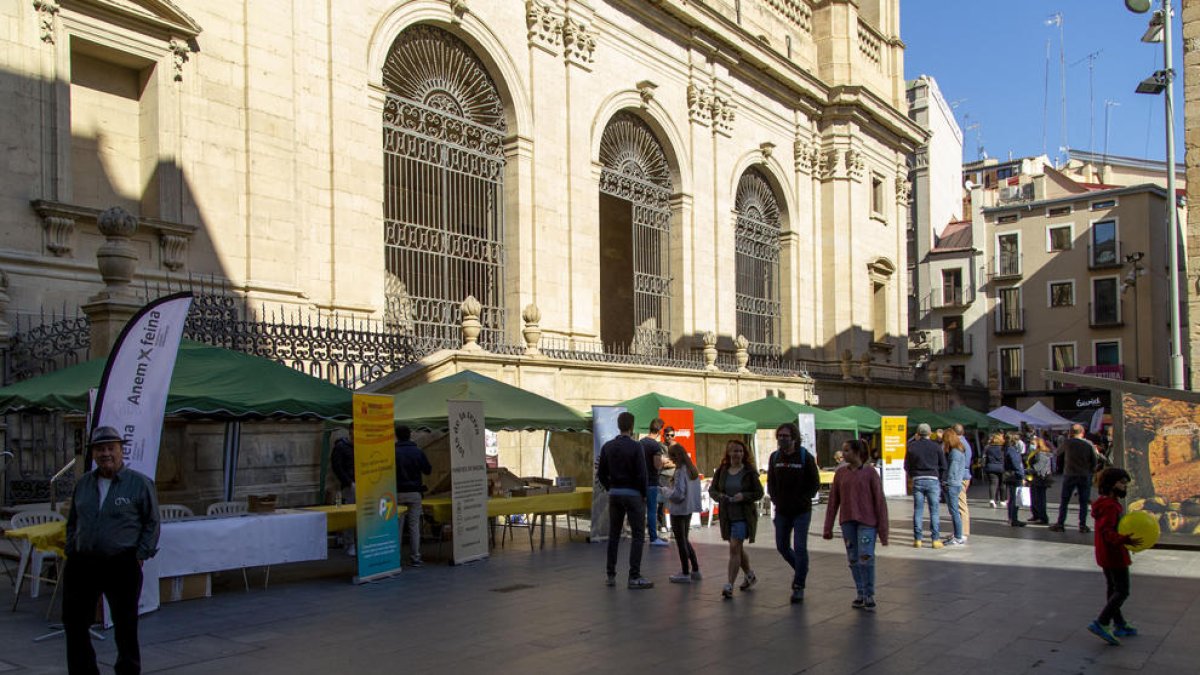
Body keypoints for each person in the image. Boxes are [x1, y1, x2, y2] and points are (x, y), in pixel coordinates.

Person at [64, 426, 161, 675]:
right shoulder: (84, 484)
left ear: (121, 450)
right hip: (83, 562)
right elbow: (73, 520)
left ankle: (127, 670)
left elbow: (152, 522)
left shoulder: (139, 483)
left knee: (125, 625)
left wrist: (141, 555)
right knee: (75, 622)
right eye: (100, 449)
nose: (105, 453)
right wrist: (71, 548)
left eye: (110, 448)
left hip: (122, 563)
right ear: (93, 454)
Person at [823, 439, 889, 611]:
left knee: (866, 556)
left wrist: (883, 530)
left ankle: (869, 593)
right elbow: (833, 501)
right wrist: (827, 526)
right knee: (853, 558)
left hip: (867, 522)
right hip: (847, 521)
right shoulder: (841, 473)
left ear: (857, 452)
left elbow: (879, 501)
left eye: (846, 450)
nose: (843, 454)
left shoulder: (870, 473)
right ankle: (860, 591)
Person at [597, 411, 654, 589]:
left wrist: (610, 487)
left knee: (614, 534)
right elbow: (642, 473)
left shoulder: (607, 446)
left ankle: (611, 575)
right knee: (637, 535)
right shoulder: (637, 447)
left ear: (619, 425)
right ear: (632, 426)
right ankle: (634, 576)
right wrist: (643, 494)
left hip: (615, 493)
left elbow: (601, 473)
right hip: (633, 494)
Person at [767, 422, 820, 603]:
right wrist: (775, 499)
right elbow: (771, 482)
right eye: (780, 436)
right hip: (782, 510)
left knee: (800, 546)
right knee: (782, 546)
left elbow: (814, 482)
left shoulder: (805, 457)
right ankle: (801, 569)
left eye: (786, 436)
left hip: (801, 510)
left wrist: (804, 498)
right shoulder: (775, 457)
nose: (782, 439)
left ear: (794, 438)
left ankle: (798, 585)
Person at [1087, 468, 1140, 646]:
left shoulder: (1105, 502)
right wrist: (1125, 539)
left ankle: (1119, 623)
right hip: (1114, 554)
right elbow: (1107, 531)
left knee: (1113, 587)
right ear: (1111, 484)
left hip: (1105, 553)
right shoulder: (1110, 505)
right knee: (1123, 590)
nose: (1125, 486)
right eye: (1122, 483)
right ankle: (1101, 622)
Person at [709, 439, 763, 599]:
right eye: (734, 451)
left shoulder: (749, 472)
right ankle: (750, 575)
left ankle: (729, 585)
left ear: (744, 453)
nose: (737, 454)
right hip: (727, 515)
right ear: (728, 453)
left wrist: (744, 496)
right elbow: (713, 490)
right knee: (737, 548)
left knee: (734, 548)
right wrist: (721, 496)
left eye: (740, 451)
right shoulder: (722, 471)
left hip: (743, 516)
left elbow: (758, 493)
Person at [1050, 424, 1100, 533]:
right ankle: (1082, 525)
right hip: (1084, 475)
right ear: (1082, 432)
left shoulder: (1068, 442)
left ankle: (1060, 523)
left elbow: (1057, 453)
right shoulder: (1088, 444)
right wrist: (1090, 470)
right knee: (1083, 501)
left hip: (1070, 474)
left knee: (1065, 500)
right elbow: (1095, 461)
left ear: (1071, 433)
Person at [394, 425, 432, 567]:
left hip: (397, 493)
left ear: (396, 435)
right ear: (410, 435)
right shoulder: (418, 451)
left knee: (397, 526)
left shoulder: (393, 452)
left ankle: (396, 558)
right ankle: (415, 557)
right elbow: (428, 470)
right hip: (415, 492)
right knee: (414, 526)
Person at [664, 443, 702, 583]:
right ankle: (695, 569)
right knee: (685, 539)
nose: (671, 460)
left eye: (672, 457)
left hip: (679, 510)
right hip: (688, 509)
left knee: (681, 541)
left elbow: (679, 494)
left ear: (677, 456)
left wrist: (665, 491)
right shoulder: (693, 469)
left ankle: (685, 571)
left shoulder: (681, 471)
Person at [904, 423, 946, 548]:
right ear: (929, 433)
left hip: (918, 480)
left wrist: (912, 475)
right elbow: (944, 465)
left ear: (918, 433)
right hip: (933, 479)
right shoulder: (936, 447)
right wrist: (940, 476)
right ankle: (935, 539)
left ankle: (918, 539)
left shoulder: (911, 447)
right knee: (934, 511)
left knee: (918, 510)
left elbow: (906, 466)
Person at [639, 418, 669, 548]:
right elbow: (657, 465)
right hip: (651, 481)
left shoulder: (640, 443)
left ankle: (639, 536)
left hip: (639, 481)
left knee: (640, 511)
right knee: (652, 511)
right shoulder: (655, 445)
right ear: (660, 430)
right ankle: (653, 537)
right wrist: (663, 461)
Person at [330, 428, 356, 555]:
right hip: (347, 487)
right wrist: (349, 482)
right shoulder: (341, 447)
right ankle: (349, 542)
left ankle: (353, 542)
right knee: (347, 514)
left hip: (360, 485)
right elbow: (337, 467)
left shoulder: (360, 446)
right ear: (350, 433)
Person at [942, 429, 967, 545]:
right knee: (955, 511)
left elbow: (953, 470)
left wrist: (946, 482)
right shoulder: (959, 450)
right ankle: (958, 534)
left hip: (952, 484)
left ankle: (958, 536)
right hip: (956, 483)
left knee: (954, 511)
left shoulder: (955, 453)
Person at [1026, 437, 1054, 525]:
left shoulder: (1042, 454)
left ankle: (1043, 517)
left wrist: (1024, 471)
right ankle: (1036, 515)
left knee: (1040, 499)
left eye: (1033, 443)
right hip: (1034, 478)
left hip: (1041, 478)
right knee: (1034, 497)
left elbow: (1038, 467)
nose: (1031, 445)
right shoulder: (1035, 453)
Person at [952, 424, 972, 540]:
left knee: (961, 504)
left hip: (961, 476)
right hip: (964, 475)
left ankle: (963, 532)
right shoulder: (964, 442)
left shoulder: (960, 444)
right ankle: (960, 531)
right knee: (959, 504)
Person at [1003, 436, 1026, 526]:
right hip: (1015, 476)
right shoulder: (1012, 450)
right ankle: (1013, 519)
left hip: (1010, 475)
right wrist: (1022, 476)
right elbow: (1016, 464)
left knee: (1012, 498)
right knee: (1015, 498)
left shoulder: (1006, 449)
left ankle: (1011, 518)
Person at [982, 433, 1006, 508]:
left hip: (990, 467)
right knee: (1002, 484)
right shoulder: (1003, 448)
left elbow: (984, 457)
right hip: (1002, 467)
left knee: (993, 484)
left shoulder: (987, 447)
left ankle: (992, 500)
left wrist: (984, 466)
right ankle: (1002, 501)